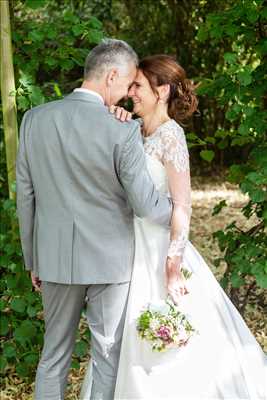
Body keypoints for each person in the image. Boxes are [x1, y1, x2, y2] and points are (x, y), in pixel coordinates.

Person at [81, 55, 266, 399]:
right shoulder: (128, 129)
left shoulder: (171, 136)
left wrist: (173, 267)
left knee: (175, 347)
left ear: (162, 90)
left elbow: (182, 205)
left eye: (137, 85)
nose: (129, 92)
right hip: (122, 250)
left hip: (158, 251)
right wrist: (113, 120)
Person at [16, 40, 173, 400]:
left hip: (53, 258)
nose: (127, 93)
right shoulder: (122, 129)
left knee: (53, 355)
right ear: (112, 75)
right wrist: (177, 211)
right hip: (110, 260)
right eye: (127, 83)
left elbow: (25, 195)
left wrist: (32, 258)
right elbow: (146, 205)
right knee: (106, 355)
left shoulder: (34, 120)